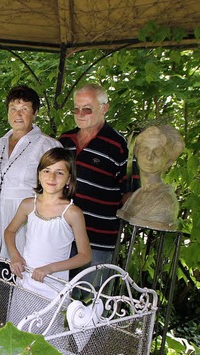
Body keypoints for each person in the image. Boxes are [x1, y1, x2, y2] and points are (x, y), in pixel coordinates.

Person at [4, 148, 91, 331]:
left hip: (53, 289)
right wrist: (15, 256)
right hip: (25, 283)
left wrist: (50, 268)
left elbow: (84, 255)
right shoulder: (28, 205)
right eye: (47, 171)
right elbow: (10, 231)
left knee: (45, 340)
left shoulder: (72, 213)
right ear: (39, 175)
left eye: (59, 173)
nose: (52, 177)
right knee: (18, 333)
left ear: (68, 179)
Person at [58, 83, 139, 280]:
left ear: (104, 108)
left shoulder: (120, 146)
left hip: (97, 242)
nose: (80, 114)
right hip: (60, 237)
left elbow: (131, 193)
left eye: (87, 108)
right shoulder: (64, 140)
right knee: (55, 298)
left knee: (90, 303)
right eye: (76, 109)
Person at [0, 85, 61, 260]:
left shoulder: (47, 146)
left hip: (27, 224)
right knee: (2, 276)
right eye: (13, 109)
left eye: (24, 109)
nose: (18, 114)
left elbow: (58, 193)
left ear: (35, 113)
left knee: (23, 276)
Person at [117, 125, 184, 231]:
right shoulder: (135, 195)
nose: (149, 157)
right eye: (144, 149)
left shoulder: (165, 202)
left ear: (168, 160)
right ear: (137, 152)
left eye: (157, 152)